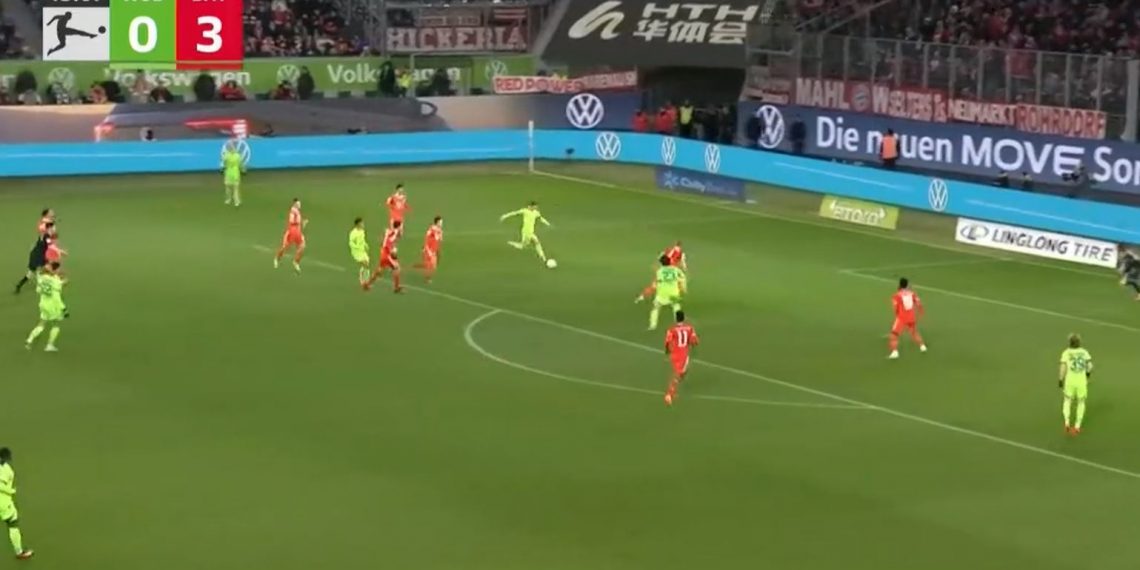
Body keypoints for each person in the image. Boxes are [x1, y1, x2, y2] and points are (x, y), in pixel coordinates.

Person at [0, 447, 34, 560]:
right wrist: (11, 491)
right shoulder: (7, 470)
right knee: (13, 524)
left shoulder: (8, 470)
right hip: (3, 503)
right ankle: (19, 552)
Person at [25, 262, 66, 352]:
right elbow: (59, 287)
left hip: (43, 304)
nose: (59, 270)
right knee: (56, 325)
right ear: (54, 270)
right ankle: (49, 345)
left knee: (41, 324)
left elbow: (38, 290)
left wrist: (55, 274)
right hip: (53, 306)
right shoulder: (55, 281)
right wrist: (63, 280)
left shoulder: (41, 278)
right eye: (58, 269)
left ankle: (29, 340)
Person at [663, 311, 699, 406]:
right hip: (683, 354)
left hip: (675, 353)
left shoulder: (671, 330)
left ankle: (673, 390)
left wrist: (667, 352)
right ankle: (669, 395)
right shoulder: (690, 328)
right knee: (678, 374)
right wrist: (692, 344)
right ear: (684, 318)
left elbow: (667, 342)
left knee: (682, 372)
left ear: (676, 319)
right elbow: (694, 341)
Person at [1059, 333, 1092, 435]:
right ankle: (1077, 426)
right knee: (1081, 402)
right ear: (1079, 342)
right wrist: (1087, 375)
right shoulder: (1084, 352)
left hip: (1070, 381)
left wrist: (1060, 379)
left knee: (1067, 401)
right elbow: (1090, 366)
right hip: (1081, 381)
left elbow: (1063, 367)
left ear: (1069, 342)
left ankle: (1067, 422)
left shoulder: (1066, 353)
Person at [14, 212, 54, 294]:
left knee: (30, 273)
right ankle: (45, 286)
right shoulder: (47, 236)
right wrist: (59, 251)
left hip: (35, 254)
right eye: (51, 228)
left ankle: (19, 285)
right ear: (49, 228)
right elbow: (50, 245)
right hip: (39, 256)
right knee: (42, 270)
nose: (52, 229)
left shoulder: (43, 234)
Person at [888, 277, 926, 359]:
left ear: (899, 285)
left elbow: (895, 307)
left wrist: (897, 315)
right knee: (914, 332)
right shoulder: (912, 294)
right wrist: (921, 311)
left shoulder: (896, 296)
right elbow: (918, 303)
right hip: (911, 317)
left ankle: (894, 352)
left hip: (901, 318)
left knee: (894, 335)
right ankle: (922, 346)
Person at [647, 255, 686, 331]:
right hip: (673, 293)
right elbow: (682, 278)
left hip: (662, 293)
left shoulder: (659, 271)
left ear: (661, 263)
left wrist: (653, 288)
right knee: (676, 307)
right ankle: (679, 324)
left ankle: (652, 325)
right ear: (670, 261)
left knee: (655, 308)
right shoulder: (676, 270)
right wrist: (683, 288)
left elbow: (657, 282)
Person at [364, 221, 403, 293]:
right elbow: (388, 242)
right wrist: (392, 250)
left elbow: (384, 241)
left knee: (380, 270)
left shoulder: (390, 231)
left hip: (383, 253)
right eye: (401, 226)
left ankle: (367, 284)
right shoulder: (395, 233)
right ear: (399, 226)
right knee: (397, 268)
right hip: (387, 254)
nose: (402, 227)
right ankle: (396, 288)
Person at [274, 199, 307, 273]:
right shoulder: (293, 211)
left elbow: (298, 223)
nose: (299, 205)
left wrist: (302, 223)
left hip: (298, 232)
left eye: (299, 204)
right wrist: (301, 222)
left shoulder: (297, 211)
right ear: (294, 204)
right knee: (285, 247)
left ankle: (296, 262)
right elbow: (292, 221)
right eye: (298, 204)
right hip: (291, 232)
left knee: (302, 246)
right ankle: (277, 258)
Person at [416, 216, 443, 283]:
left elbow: (439, 240)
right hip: (429, 249)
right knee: (430, 265)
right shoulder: (432, 229)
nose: (441, 223)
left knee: (433, 265)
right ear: (437, 222)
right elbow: (427, 238)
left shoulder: (440, 230)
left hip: (434, 249)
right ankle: (427, 279)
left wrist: (438, 249)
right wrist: (426, 248)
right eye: (440, 222)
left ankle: (422, 269)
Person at [221, 139, 245, 207]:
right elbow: (241, 164)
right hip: (235, 174)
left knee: (228, 188)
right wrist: (243, 170)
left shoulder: (226, 155)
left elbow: (222, 164)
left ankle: (228, 200)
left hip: (228, 173)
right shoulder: (237, 156)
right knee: (236, 189)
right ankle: (236, 202)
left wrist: (222, 169)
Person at [348, 218, 370, 285]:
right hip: (357, 252)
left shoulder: (362, 231)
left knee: (367, 265)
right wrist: (357, 247)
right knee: (365, 264)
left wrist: (366, 245)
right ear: (358, 224)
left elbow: (362, 240)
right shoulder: (353, 233)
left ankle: (366, 280)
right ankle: (362, 280)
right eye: (362, 223)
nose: (363, 224)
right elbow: (351, 243)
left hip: (362, 251)